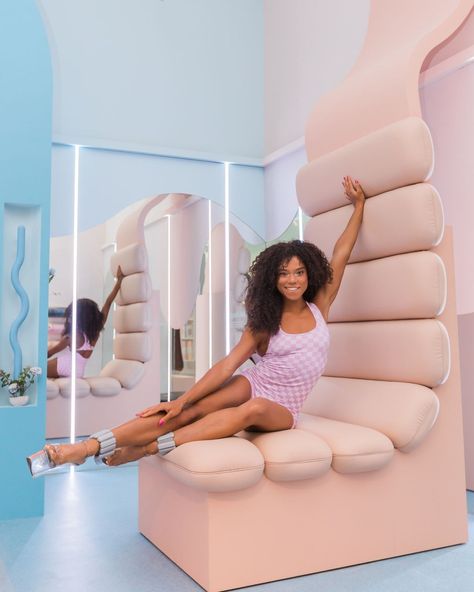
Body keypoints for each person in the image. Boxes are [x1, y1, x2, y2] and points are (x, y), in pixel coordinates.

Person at [27, 176, 365, 477]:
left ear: (309, 275)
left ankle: (147, 448)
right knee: (188, 410)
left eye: (298, 272)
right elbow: (228, 365)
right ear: (273, 279)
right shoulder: (266, 322)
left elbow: (342, 253)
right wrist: (181, 400)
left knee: (254, 409)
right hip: (255, 382)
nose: (292, 280)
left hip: (282, 406)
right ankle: (81, 449)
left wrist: (358, 206)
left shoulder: (320, 305)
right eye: (283, 273)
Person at [46, 267, 124, 379]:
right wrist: (119, 281)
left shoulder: (71, 337)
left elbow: (48, 353)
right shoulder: (96, 330)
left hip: (64, 366)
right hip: (78, 371)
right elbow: (108, 302)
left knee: (35, 371)